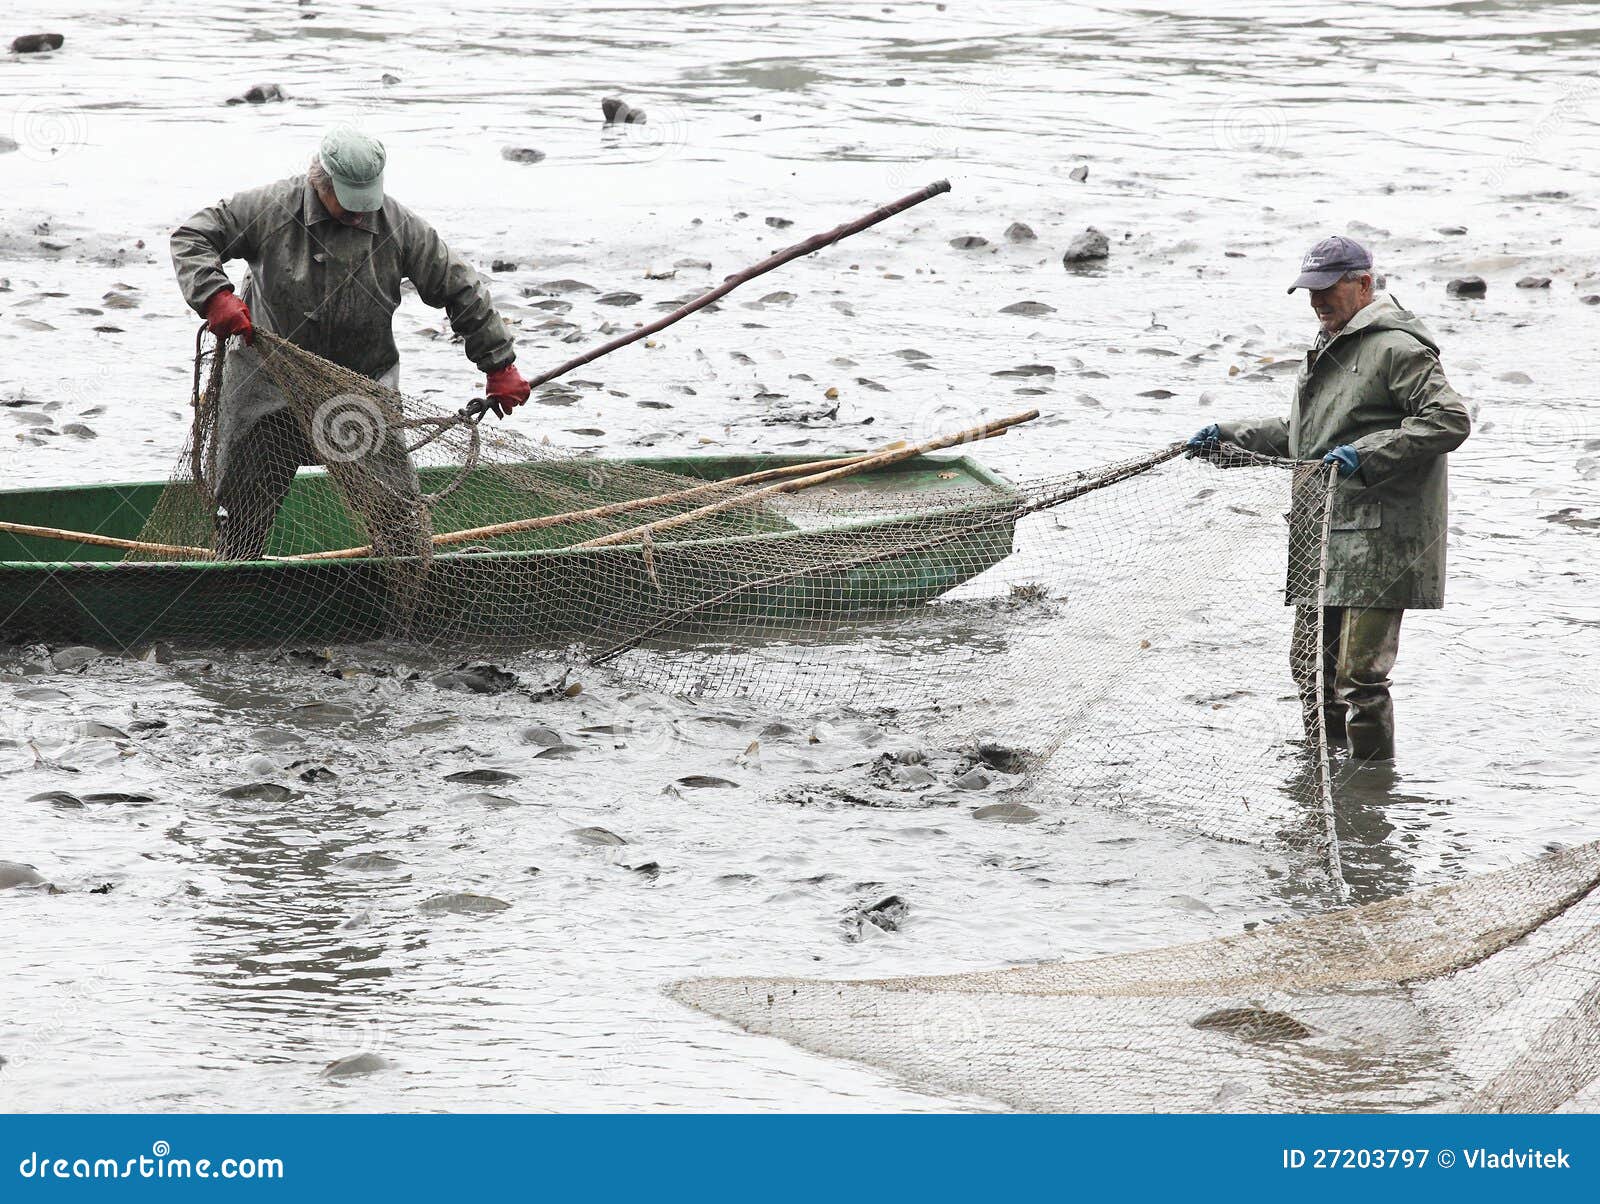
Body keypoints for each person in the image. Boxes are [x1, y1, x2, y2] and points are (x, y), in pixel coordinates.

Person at [170, 126, 533, 559]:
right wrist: (214, 295)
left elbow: (460, 289)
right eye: (348, 203)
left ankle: (403, 587)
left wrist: (499, 365)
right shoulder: (268, 209)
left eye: (366, 202)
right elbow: (192, 237)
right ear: (319, 184)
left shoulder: (400, 227)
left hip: (358, 384)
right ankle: (237, 581)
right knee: (245, 503)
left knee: (394, 512)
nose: (359, 215)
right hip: (268, 381)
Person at [1187, 236, 1471, 761]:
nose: (1317, 302)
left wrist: (1367, 454)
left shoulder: (1397, 348)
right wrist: (1227, 438)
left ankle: (1368, 785)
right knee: (1310, 668)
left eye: (1327, 289)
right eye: (1309, 291)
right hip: (1321, 531)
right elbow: (1301, 437)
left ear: (1363, 283)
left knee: (1359, 676)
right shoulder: (1328, 345)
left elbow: (1449, 420)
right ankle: (1325, 779)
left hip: (1381, 539)